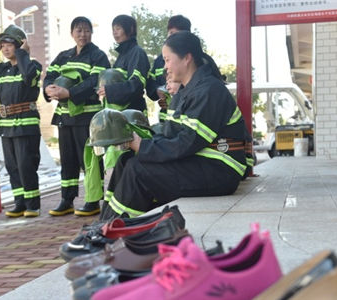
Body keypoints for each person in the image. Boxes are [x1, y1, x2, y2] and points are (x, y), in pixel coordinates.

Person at [99, 31, 250, 220]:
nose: (165, 67)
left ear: (187, 58)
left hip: (220, 169)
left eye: (167, 60)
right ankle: (105, 222)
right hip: (200, 161)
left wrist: (144, 147)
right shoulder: (185, 92)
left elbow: (187, 142)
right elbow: (172, 135)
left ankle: (117, 230)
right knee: (125, 161)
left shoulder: (210, 90)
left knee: (138, 171)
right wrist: (140, 142)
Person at [0, 24, 42, 218]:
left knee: (26, 165)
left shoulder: (32, 66)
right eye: (2, 44)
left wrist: (23, 54)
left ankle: (32, 205)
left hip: (25, 125)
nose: (5, 48)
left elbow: (28, 76)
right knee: (12, 167)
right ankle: (20, 203)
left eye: (10, 44)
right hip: (6, 125)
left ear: (20, 46)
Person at [44, 17, 110, 217]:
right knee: (68, 160)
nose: (82, 34)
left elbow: (94, 81)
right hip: (65, 117)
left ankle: (93, 200)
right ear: (72, 33)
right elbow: (49, 75)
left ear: (91, 33)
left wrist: (70, 93)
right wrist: (48, 88)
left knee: (89, 160)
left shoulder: (98, 56)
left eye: (86, 30)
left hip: (87, 118)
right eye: (79, 30)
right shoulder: (63, 56)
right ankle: (67, 199)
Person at [97, 15, 150, 112]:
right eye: (113, 29)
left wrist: (110, 90)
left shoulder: (137, 52)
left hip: (132, 112)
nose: (114, 32)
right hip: (119, 114)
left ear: (130, 29)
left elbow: (137, 84)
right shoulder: (121, 55)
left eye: (118, 28)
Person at [146, 15, 191, 117]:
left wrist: (176, 95)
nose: (166, 67)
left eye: (175, 34)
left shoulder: (196, 60)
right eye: (170, 33)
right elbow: (151, 84)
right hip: (165, 119)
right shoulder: (159, 60)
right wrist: (157, 91)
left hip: (184, 118)